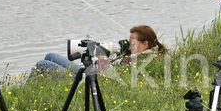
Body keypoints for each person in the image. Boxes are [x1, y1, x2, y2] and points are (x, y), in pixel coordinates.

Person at [28, 25, 165, 79]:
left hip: (90, 83)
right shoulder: (141, 55)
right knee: (50, 56)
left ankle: (24, 95)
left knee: (42, 65)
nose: (129, 47)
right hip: (92, 73)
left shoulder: (145, 61)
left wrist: (104, 61)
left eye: (132, 44)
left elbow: (114, 81)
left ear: (145, 44)